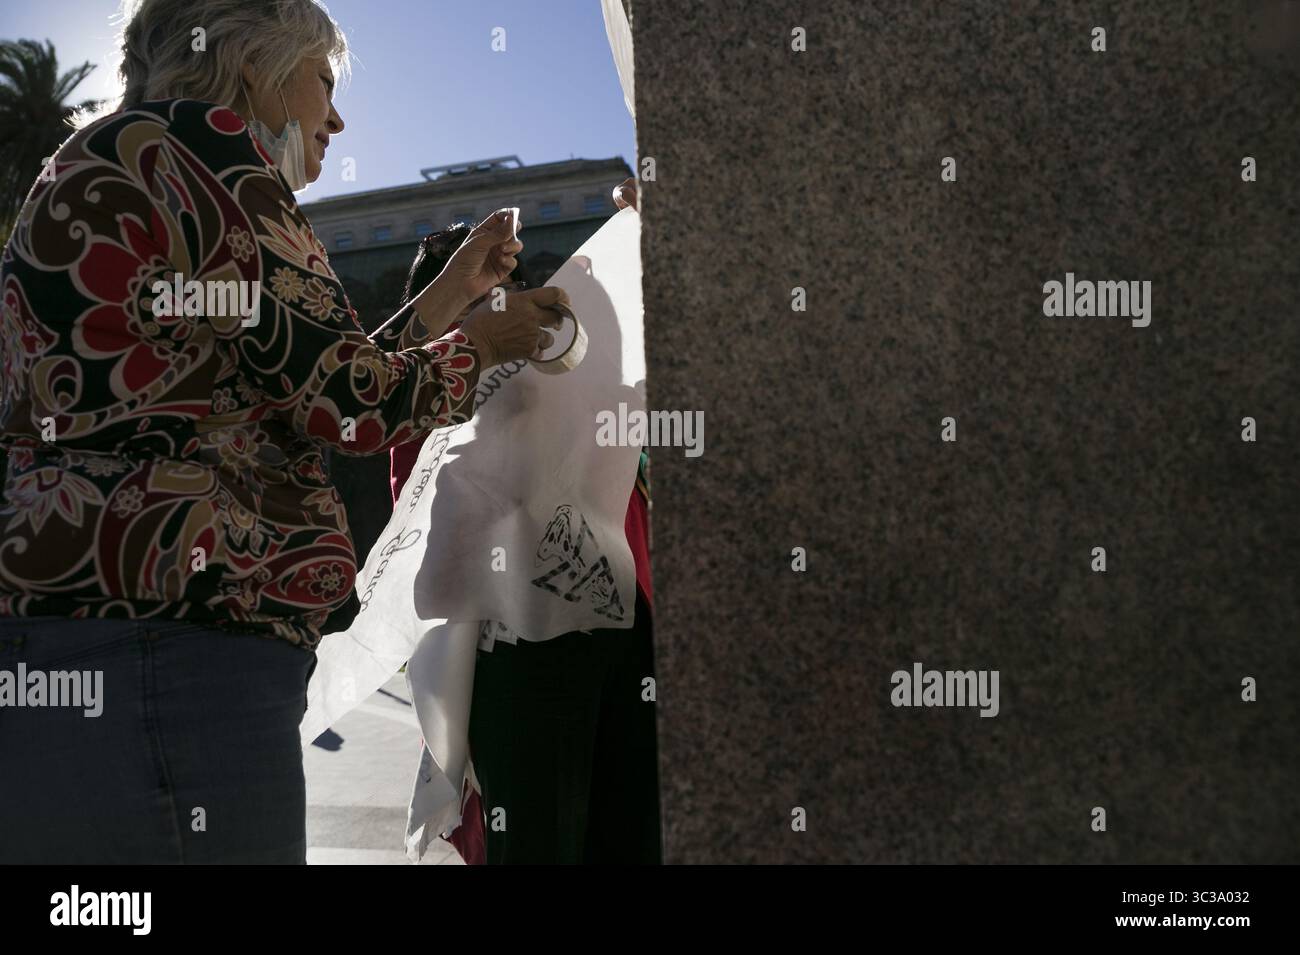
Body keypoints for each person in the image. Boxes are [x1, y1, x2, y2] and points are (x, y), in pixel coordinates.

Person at [0, 0, 564, 864]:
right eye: (323, 82)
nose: (335, 116)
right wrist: (489, 339)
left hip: (87, 631)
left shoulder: (121, 158)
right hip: (177, 646)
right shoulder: (209, 151)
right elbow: (349, 400)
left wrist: (447, 297)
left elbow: (301, 383)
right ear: (254, 66)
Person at [388, 192, 661, 864]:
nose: (506, 305)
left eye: (510, 287)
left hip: (624, 632)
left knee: (636, 838)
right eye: (478, 292)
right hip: (514, 648)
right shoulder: (425, 396)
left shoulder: (578, 380)